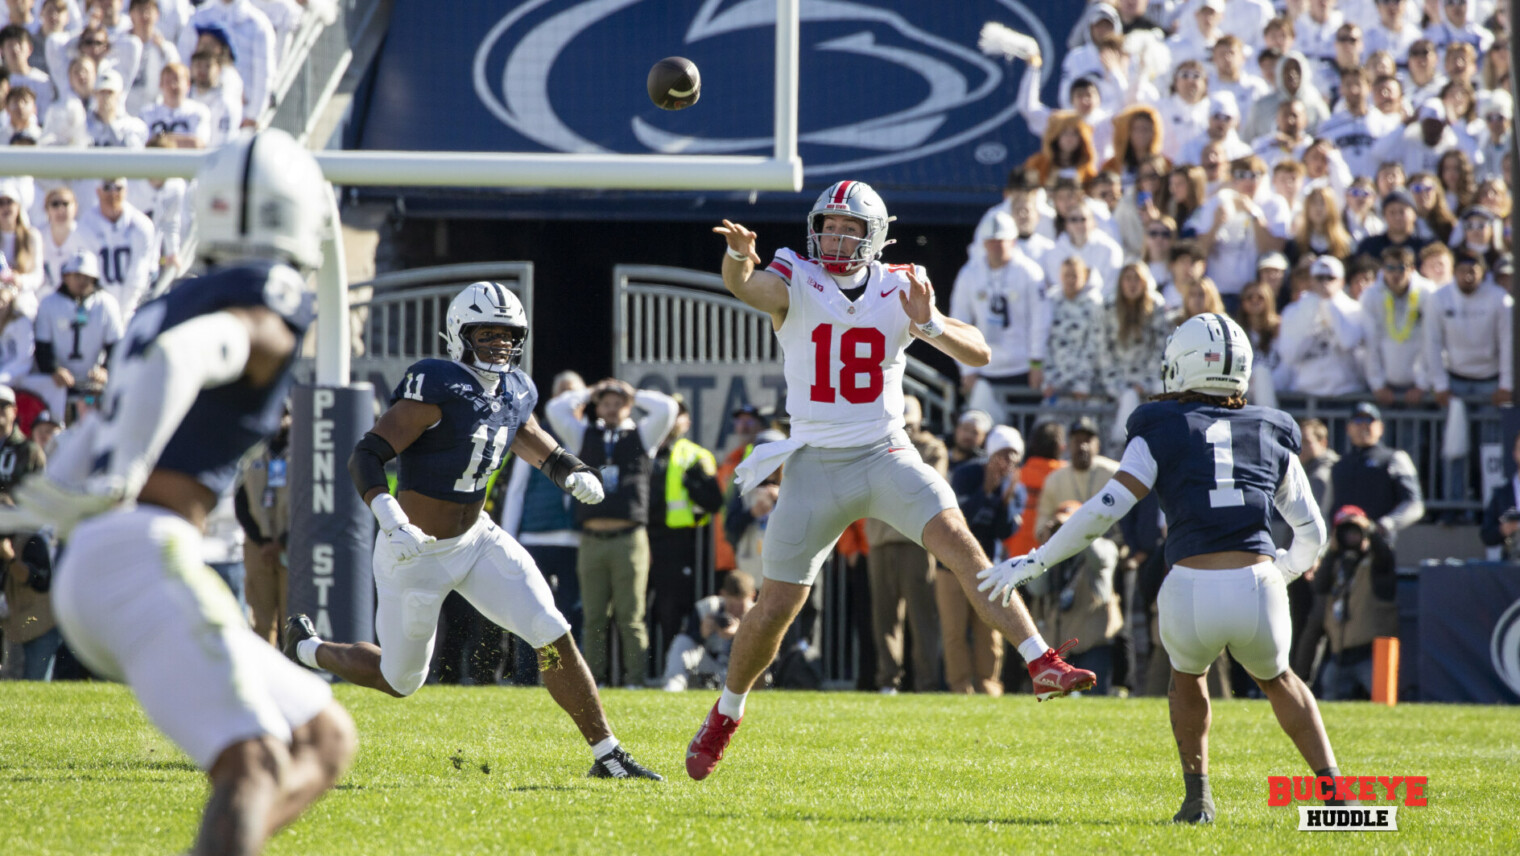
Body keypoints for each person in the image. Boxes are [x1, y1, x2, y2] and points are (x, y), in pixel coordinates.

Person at [1, 130, 356, 854]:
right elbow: (183, 355)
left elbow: (109, 409)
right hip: (140, 551)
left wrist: (58, 491)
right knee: (254, 762)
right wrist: (122, 472)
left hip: (110, 556)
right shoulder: (264, 302)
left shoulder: (176, 297)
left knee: (324, 738)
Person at [693, 181, 1096, 779]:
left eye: (846, 228)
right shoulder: (795, 274)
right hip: (815, 463)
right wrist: (737, 258)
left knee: (965, 550)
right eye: (827, 225)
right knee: (776, 606)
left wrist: (929, 324)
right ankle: (726, 713)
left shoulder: (902, 282)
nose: (833, 236)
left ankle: (1041, 660)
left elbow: (980, 352)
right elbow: (750, 288)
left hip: (885, 452)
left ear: (872, 237)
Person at [978, 313, 1346, 824]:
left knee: (1186, 678)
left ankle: (1198, 800)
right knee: (1282, 681)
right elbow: (1314, 535)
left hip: (1190, 586)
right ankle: (1336, 797)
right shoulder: (1270, 428)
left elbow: (1105, 509)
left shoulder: (1159, 426)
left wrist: (1036, 560)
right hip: (1258, 582)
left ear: (1183, 365)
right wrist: (1278, 574)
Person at [286, 281, 662, 780]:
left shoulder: (517, 389)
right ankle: (307, 649)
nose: (499, 344)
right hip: (413, 551)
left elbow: (533, 442)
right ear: (459, 334)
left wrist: (571, 470)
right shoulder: (437, 383)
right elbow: (367, 454)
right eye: (487, 333)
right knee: (400, 680)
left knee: (551, 631)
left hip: (477, 540)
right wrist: (391, 519)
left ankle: (608, 754)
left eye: (508, 334)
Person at [545, 378, 678, 687]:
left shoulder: (643, 435)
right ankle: (597, 681)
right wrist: (588, 392)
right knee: (593, 617)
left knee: (630, 616)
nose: (613, 408)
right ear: (597, 406)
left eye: (619, 403)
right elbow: (555, 408)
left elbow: (668, 408)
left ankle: (635, 679)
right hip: (591, 539)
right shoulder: (583, 436)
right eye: (606, 403)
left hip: (629, 538)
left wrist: (635, 393)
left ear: (629, 406)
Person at [865, 395, 946, 694]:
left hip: (916, 540)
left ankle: (926, 682)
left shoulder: (932, 448)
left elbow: (926, 487)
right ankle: (888, 680)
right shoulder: (872, 445)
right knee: (884, 616)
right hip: (880, 540)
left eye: (909, 424)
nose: (906, 430)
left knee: (922, 616)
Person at [942, 424, 1024, 696]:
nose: (1008, 462)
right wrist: (986, 490)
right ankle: (960, 686)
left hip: (990, 567)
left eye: (1013, 456)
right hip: (952, 565)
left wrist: (1006, 500)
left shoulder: (1013, 486)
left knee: (990, 629)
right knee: (954, 629)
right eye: (1003, 454)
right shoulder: (967, 474)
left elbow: (1006, 531)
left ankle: (989, 683)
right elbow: (958, 519)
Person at [645, 395, 723, 673]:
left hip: (679, 543)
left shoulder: (696, 455)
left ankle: (670, 671)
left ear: (687, 422)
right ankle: (638, 673)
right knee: (638, 611)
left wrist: (696, 484)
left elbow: (714, 502)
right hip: (641, 539)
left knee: (671, 609)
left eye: (678, 413)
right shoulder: (643, 448)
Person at [949, 209, 1048, 419]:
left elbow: (1040, 321)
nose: (996, 246)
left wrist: (1037, 363)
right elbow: (959, 321)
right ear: (983, 243)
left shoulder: (1030, 272)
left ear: (1013, 241)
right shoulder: (970, 274)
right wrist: (966, 369)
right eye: (991, 241)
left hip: (1022, 368)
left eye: (1001, 241)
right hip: (985, 369)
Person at [1315, 505, 1399, 701]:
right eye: (1346, 532)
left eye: (1356, 531)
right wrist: (1332, 550)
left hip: (1371, 654)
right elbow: (1319, 585)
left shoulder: (1377, 564)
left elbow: (1386, 557)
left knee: (1382, 705)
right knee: (1330, 707)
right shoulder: (1338, 563)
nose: (1351, 537)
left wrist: (1370, 529)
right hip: (1338, 654)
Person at [32, 249, 124, 422]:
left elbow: (116, 344)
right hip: (58, 383)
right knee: (55, 423)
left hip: (92, 383)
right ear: (66, 277)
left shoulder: (106, 304)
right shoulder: (49, 304)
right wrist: (53, 369)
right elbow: (42, 345)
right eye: (77, 276)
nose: (82, 281)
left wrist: (106, 369)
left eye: (87, 277)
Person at [1329, 402, 1425, 547]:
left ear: (1381, 428)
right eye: (1358, 420)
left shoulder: (1395, 458)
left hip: (1378, 544)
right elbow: (1327, 506)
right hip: (1341, 544)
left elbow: (1414, 504)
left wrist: (1382, 525)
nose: (1363, 426)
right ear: (1348, 428)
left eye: (1369, 420)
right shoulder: (1338, 464)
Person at [234, 403, 290, 647]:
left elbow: (309, 501)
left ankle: (294, 671)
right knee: (261, 617)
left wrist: (283, 541)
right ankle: (264, 674)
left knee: (293, 617)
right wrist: (263, 541)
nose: (279, 422)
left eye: (284, 416)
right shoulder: (253, 449)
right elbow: (241, 499)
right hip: (258, 546)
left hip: (292, 547)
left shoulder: (305, 450)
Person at [659, 571, 757, 692]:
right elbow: (689, 639)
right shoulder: (708, 607)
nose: (735, 611)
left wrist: (739, 635)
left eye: (740, 606)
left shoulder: (758, 615)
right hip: (711, 665)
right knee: (681, 641)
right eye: (731, 605)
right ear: (722, 594)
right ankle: (673, 685)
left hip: (743, 673)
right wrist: (701, 633)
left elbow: (769, 653)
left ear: (752, 596)